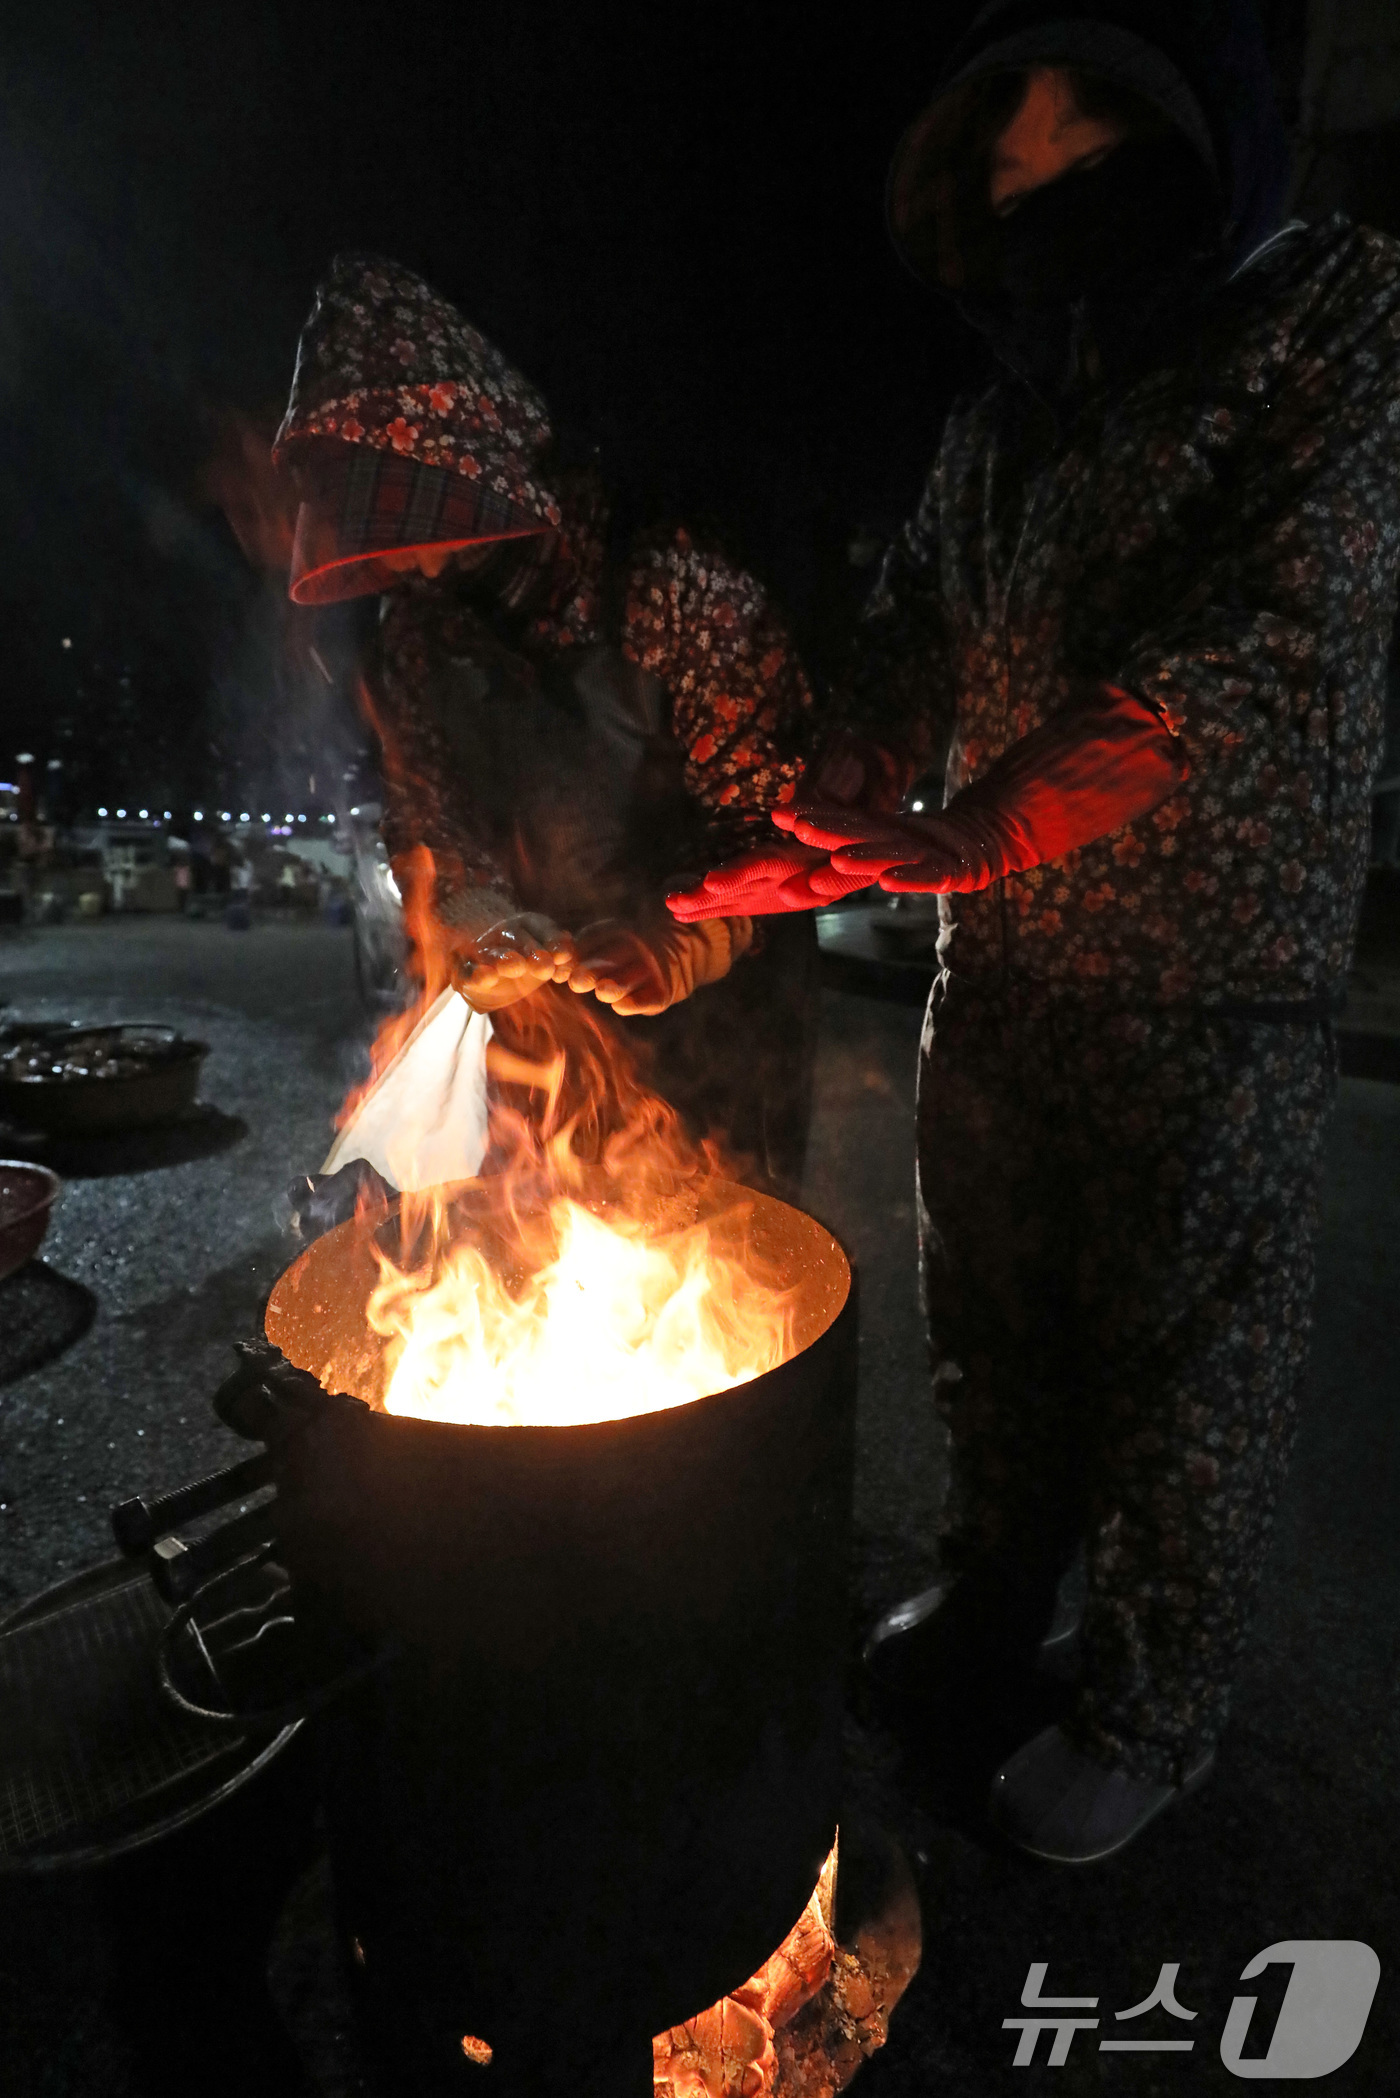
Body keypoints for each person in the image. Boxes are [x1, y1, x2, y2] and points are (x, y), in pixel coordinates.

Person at [673, 0, 1400, 1860]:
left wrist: (994, 817)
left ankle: (1151, 1701)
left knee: (1184, 1366)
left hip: (1209, 977)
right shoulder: (1008, 417)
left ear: (1189, 119)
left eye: (1084, 121)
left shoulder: (1334, 322)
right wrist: (819, 809)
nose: (1034, 150)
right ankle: (997, 1600)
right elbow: (914, 634)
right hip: (996, 965)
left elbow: (1265, 638)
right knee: (992, 1328)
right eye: (1009, 134)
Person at [274, 253, 820, 1193]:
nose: (411, 567)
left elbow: (783, 829)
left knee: (721, 1291)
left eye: (417, 521)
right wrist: (485, 922)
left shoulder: (670, 582)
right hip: (536, 1059)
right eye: (380, 536)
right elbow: (433, 830)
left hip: (720, 1044)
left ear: (475, 470)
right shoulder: (413, 636)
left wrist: (677, 938)